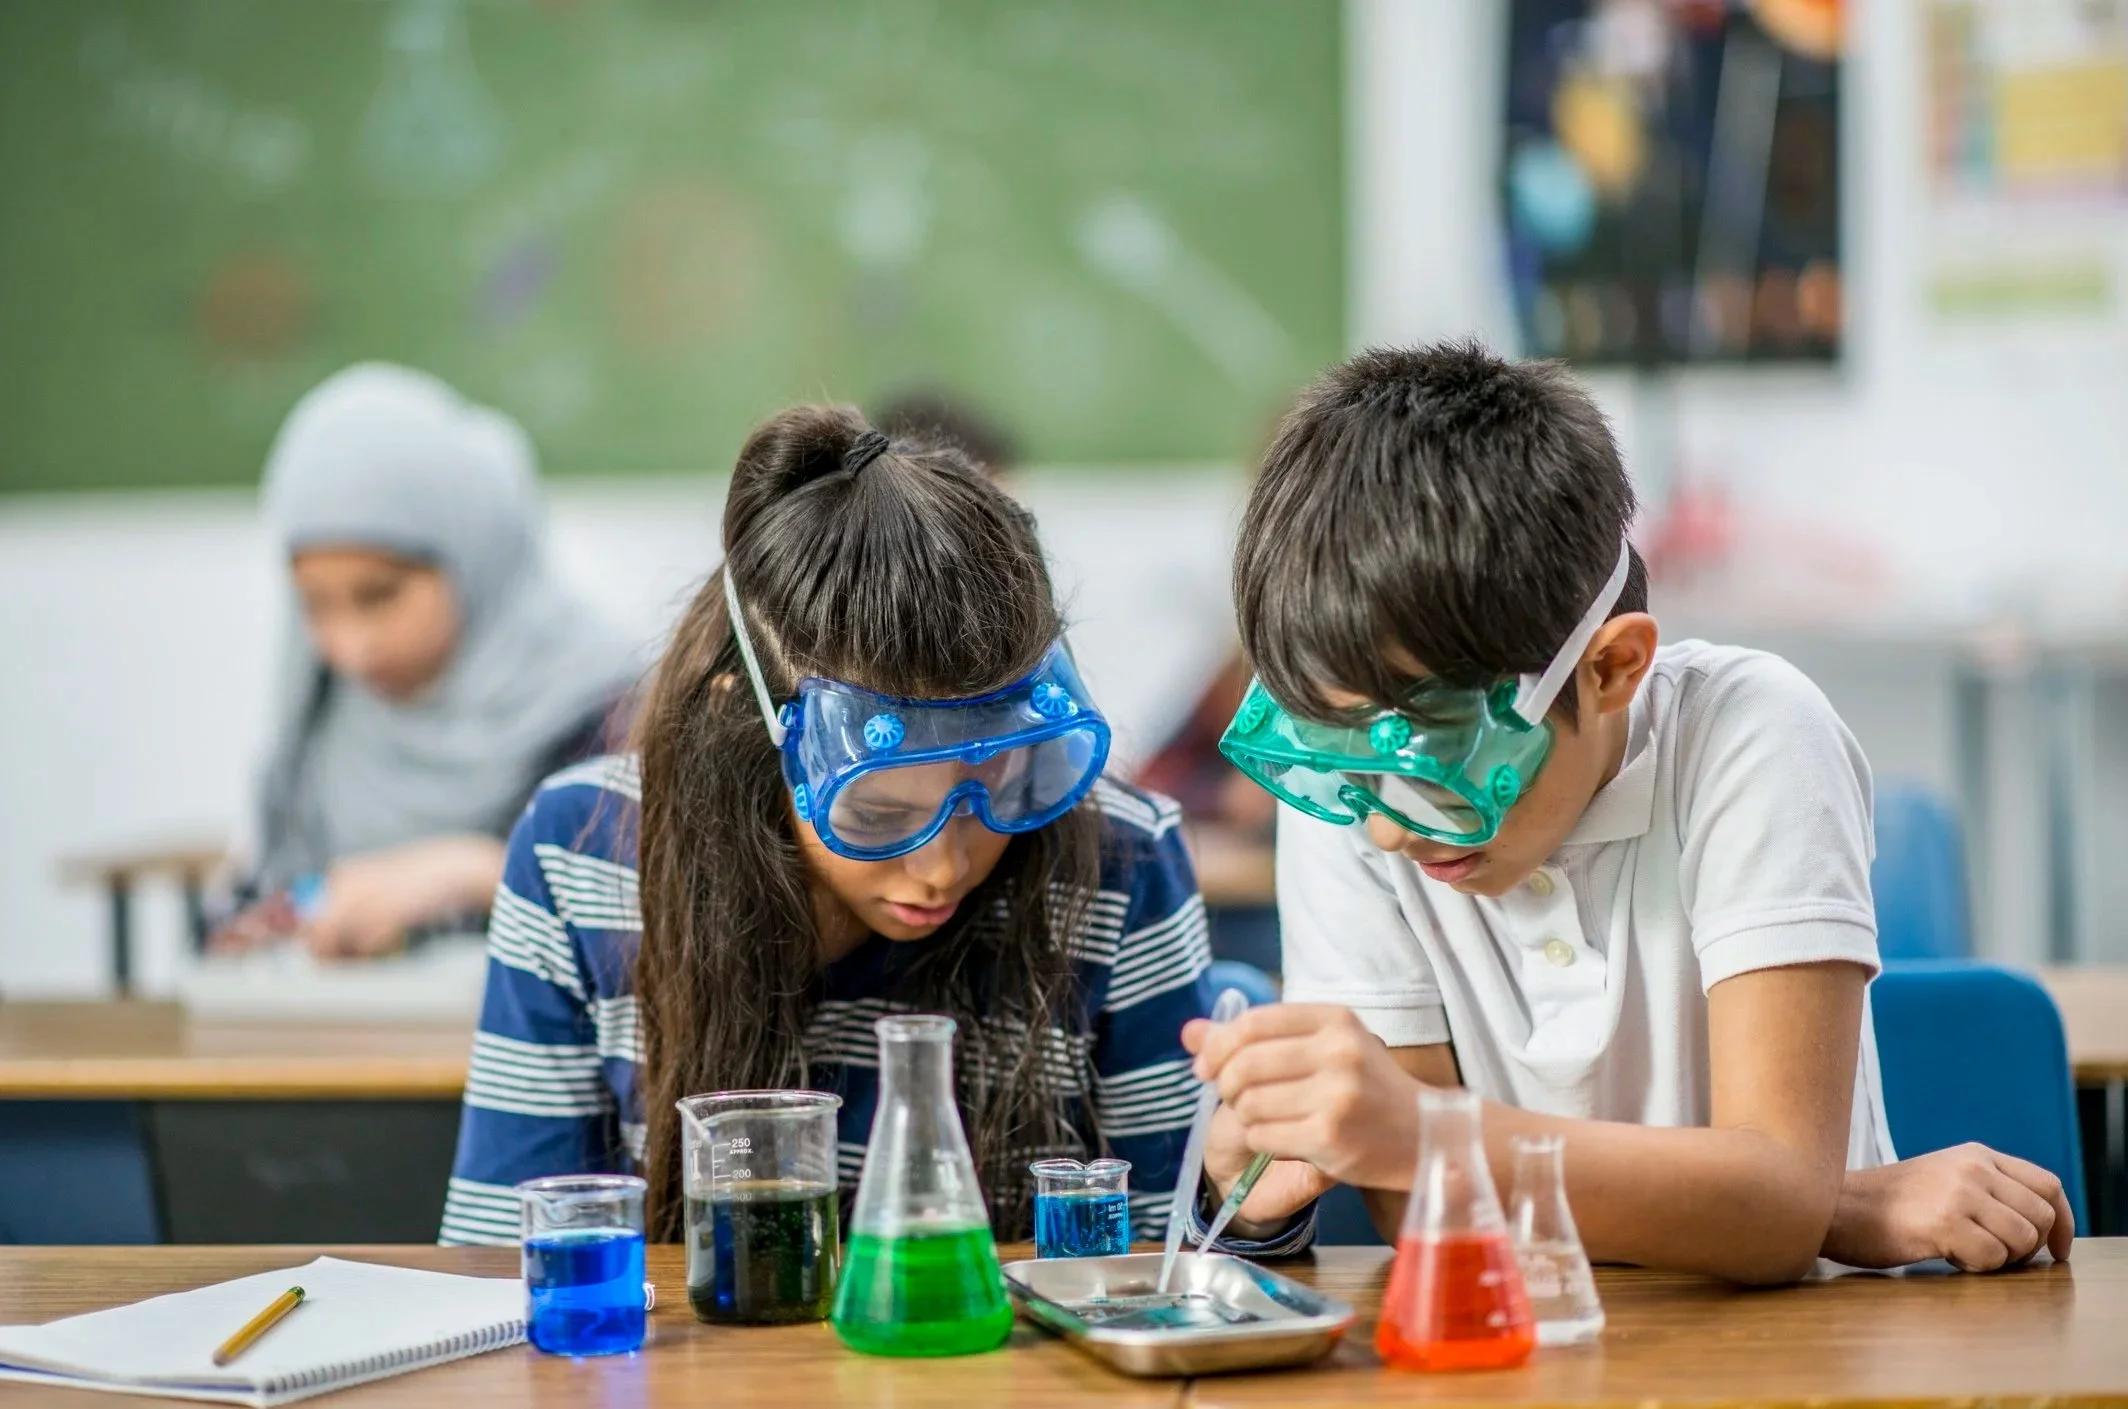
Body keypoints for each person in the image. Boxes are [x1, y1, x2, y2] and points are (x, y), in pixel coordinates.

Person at [1190, 342, 2076, 1282]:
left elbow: (1772, 1208)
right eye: (1345, 763)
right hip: (1519, 1353)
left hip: (1803, 1353)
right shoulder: (1357, 800)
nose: (1385, 827)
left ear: (1610, 667)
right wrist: (1829, 1203)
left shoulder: (1752, 732)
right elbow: (1417, 1203)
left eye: (1438, 757)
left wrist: (1425, 1134)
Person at [439, 406, 1307, 1253]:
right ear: (746, 724)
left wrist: (1240, 1212)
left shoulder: (1120, 860)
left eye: (998, 787)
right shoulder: (580, 854)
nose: (942, 867)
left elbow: (1171, 1278)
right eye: (881, 813)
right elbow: (499, 1264)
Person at [212, 363, 639, 959]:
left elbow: (666, 910)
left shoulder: (609, 709)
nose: (350, 648)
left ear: (472, 556)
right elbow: (262, 899)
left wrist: (479, 874)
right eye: (314, 604)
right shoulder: (321, 711)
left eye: (379, 595)